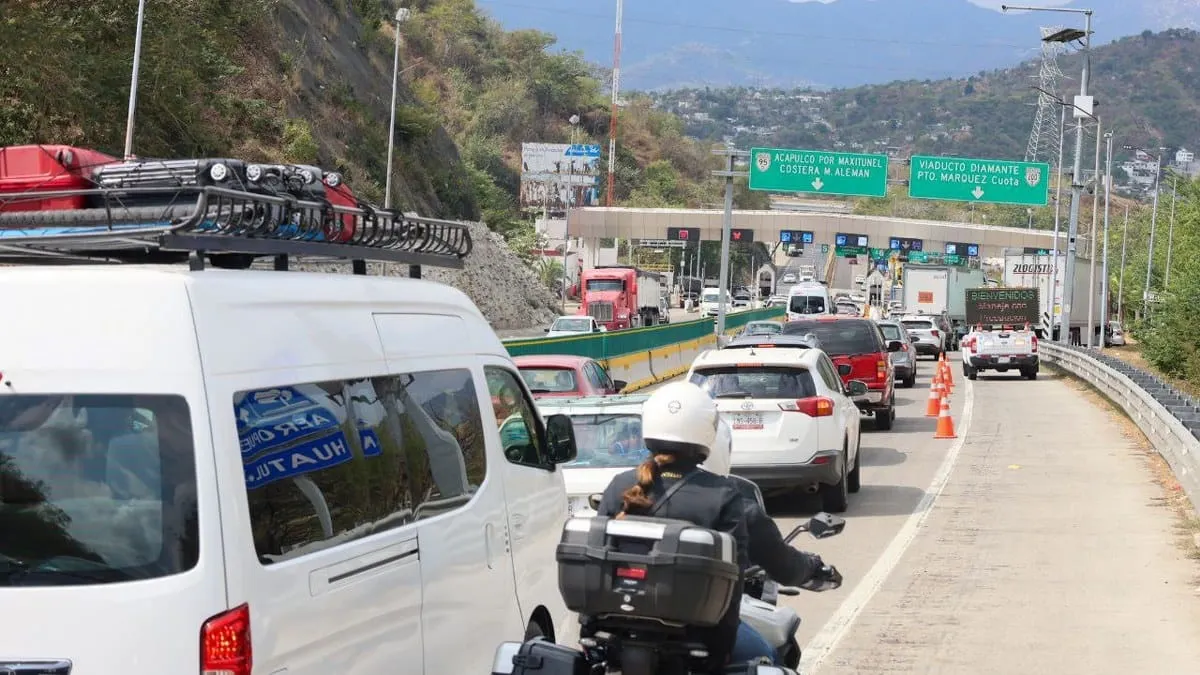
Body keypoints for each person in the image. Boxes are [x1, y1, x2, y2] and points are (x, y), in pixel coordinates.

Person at [594, 382, 749, 669]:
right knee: (762, 652)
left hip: (615, 638)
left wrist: (589, 629)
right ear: (706, 432)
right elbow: (733, 582)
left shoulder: (620, 485)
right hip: (693, 641)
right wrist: (720, 650)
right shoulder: (722, 494)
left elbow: (597, 560)